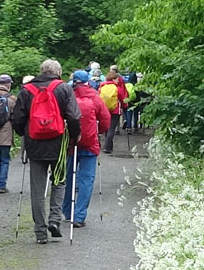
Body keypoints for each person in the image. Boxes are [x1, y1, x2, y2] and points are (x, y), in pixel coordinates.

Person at [11, 60, 81, 245]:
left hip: (34, 145)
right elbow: (73, 116)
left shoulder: (27, 90)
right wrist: (75, 137)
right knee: (59, 182)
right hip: (58, 144)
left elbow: (17, 118)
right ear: (58, 72)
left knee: (37, 189)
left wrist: (24, 134)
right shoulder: (64, 88)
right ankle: (54, 221)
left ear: (41, 71)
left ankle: (40, 232)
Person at [64, 69, 110, 228]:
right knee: (86, 181)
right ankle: (79, 216)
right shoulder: (95, 98)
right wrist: (99, 132)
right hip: (90, 144)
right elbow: (105, 119)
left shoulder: (68, 97)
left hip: (70, 144)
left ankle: (67, 211)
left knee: (69, 177)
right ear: (88, 81)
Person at [100, 65, 129, 154]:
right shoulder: (118, 88)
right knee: (111, 128)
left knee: (107, 128)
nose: (118, 81)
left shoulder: (102, 87)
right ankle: (107, 147)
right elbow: (123, 100)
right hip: (115, 111)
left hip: (105, 110)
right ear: (113, 79)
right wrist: (125, 106)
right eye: (117, 79)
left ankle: (109, 146)